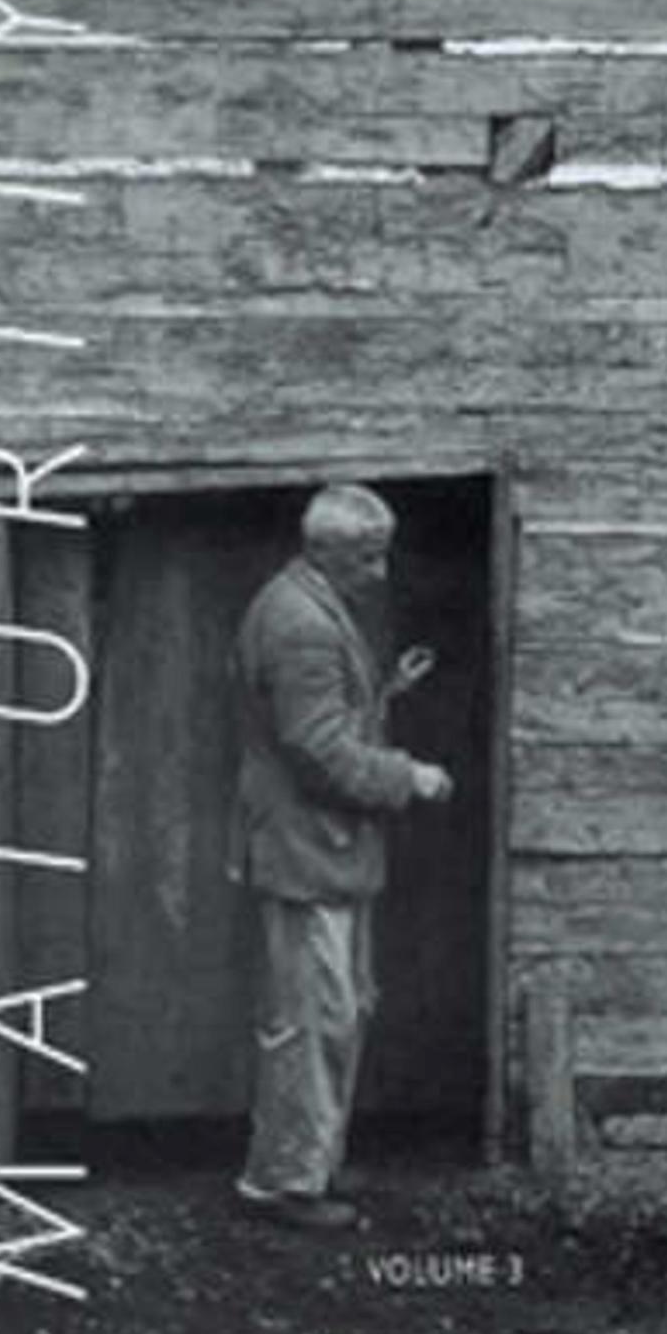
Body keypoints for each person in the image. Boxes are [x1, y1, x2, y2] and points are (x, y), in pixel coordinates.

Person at [226, 483, 452, 1229]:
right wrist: (408, 776)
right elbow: (318, 751)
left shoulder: (307, 604)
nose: (380, 573)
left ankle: (310, 1159)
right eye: (368, 557)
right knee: (309, 1020)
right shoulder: (300, 624)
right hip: (305, 849)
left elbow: (319, 718)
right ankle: (284, 1183)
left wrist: (383, 691)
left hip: (319, 848)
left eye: (382, 555)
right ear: (323, 550)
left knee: (335, 1013)